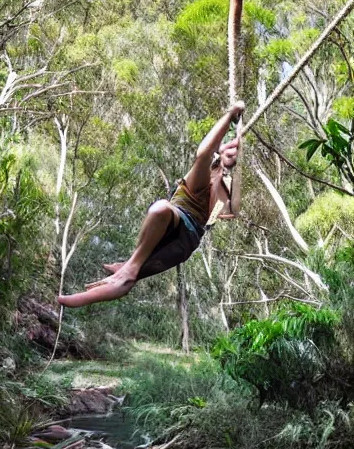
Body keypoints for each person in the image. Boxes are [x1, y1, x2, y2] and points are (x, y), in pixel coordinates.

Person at [58, 101, 245, 308]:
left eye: (235, 153)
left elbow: (231, 210)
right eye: (228, 149)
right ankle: (128, 267)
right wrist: (228, 118)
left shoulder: (223, 187)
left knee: (133, 272)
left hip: (187, 239)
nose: (232, 152)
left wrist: (238, 153)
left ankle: (128, 268)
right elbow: (204, 152)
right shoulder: (205, 169)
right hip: (175, 220)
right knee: (160, 210)